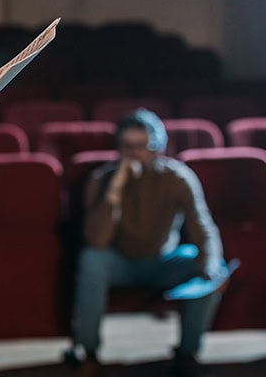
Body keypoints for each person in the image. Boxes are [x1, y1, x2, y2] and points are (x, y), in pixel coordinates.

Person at [74, 109, 225, 377]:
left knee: (205, 260)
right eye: (127, 147)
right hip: (119, 261)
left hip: (163, 260)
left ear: (158, 148)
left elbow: (203, 228)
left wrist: (211, 264)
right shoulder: (101, 179)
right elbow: (97, 240)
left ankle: (187, 354)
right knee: (91, 259)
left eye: (143, 147)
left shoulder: (178, 178)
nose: (135, 154)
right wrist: (115, 190)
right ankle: (89, 353)